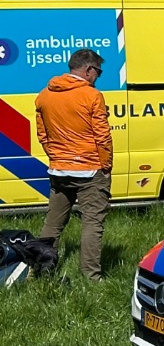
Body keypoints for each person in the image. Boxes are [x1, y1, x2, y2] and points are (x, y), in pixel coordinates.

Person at [35, 49, 113, 281]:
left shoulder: (44, 95)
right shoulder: (92, 96)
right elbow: (102, 136)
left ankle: (41, 270)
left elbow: (42, 134)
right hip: (90, 169)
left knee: (53, 224)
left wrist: (56, 156)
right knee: (92, 223)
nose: (98, 76)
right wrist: (105, 165)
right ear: (88, 69)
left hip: (59, 169)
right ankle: (92, 277)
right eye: (98, 71)